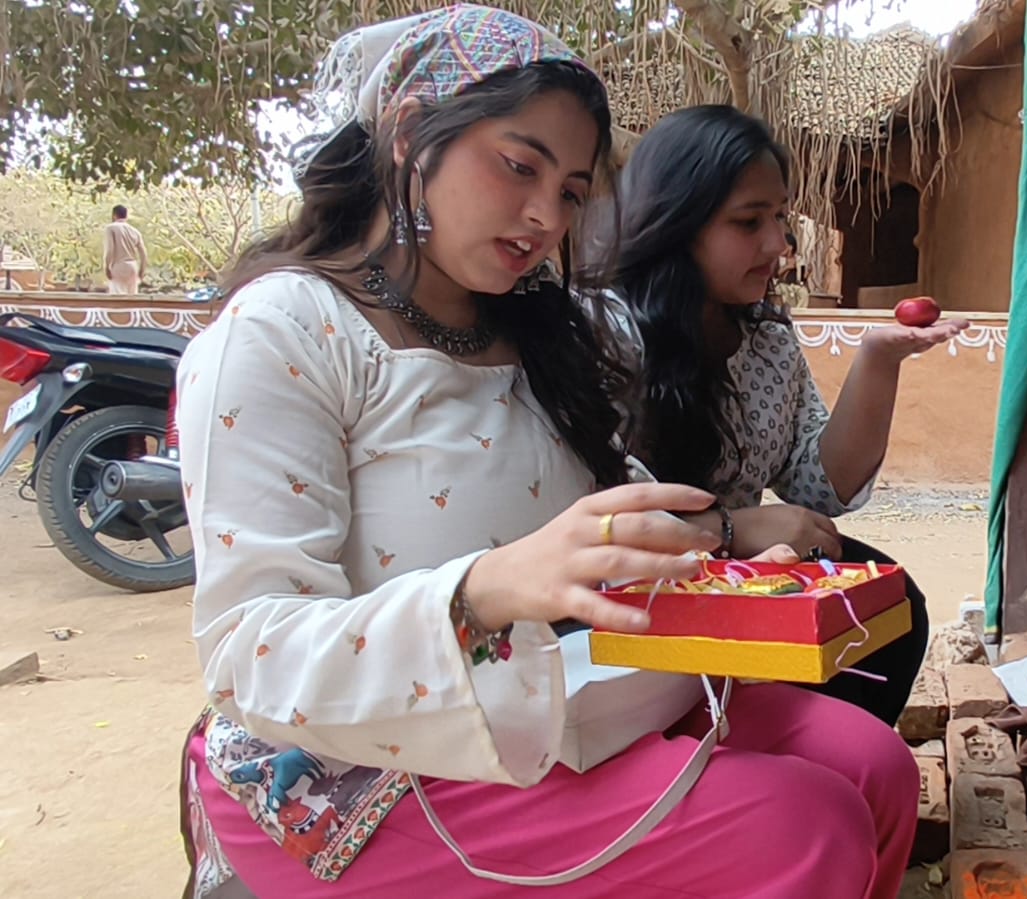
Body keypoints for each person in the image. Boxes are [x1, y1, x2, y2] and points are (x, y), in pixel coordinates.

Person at [175, 8, 916, 898]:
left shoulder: (536, 329)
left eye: (569, 191)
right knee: (799, 827)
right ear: (410, 133)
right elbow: (250, 652)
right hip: (367, 763)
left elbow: (608, 508)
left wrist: (723, 542)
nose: (543, 216)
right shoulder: (284, 330)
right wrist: (487, 587)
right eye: (519, 165)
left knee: (876, 766)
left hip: (563, 690)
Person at [610, 105, 968, 726]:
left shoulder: (766, 341)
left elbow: (818, 488)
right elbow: (598, 509)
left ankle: (818, 751)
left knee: (891, 608)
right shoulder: (607, 338)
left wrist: (879, 359)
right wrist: (729, 529)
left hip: (751, 576)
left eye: (780, 217)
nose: (778, 244)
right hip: (640, 597)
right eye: (749, 221)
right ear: (677, 223)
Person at [104, 204, 147, 294]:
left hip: (118, 265)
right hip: (132, 266)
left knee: (117, 296)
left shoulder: (111, 228)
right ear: (126, 216)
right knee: (132, 296)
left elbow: (110, 250)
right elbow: (143, 254)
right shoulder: (135, 231)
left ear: (114, 215)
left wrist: (107, 267)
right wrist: (142, 270)